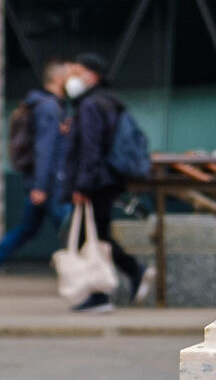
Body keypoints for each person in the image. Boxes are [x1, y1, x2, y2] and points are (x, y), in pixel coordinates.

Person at [0, 56, 76, 292]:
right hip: (50, 184)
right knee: (71, 230)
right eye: (70, 77)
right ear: (59, 79)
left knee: (27, 230)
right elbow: (44, 148)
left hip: (44, 183)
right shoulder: (50, 108)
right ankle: (85, 280)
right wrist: (40, 186)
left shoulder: (47, 105)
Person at [58, 53, 151, 313]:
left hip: (97, 181)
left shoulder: (90, 105)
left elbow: (91, 148)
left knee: (93, 238)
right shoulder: (108, 101)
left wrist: (83, 186)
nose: (70, 78)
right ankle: (125, 278)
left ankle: (103, 292)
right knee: (98, 235)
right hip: (107, 179)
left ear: (91, 74)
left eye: (75, 71)